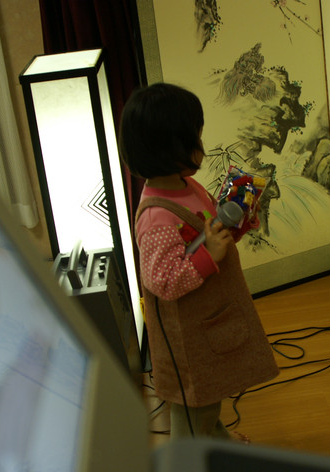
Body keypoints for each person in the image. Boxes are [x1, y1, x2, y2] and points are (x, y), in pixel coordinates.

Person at [118, 83, 279, 441]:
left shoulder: (187, 186)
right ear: (169, 148)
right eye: (195, 138)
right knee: (194, 411)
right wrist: (209, 257)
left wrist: (235, 226)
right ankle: (187, 468)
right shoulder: (156, 216)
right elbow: (163, 281)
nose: (202, 145)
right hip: (189, 338)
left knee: (207, 401)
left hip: (209, 320)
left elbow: (207, 233)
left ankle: (218, 443)